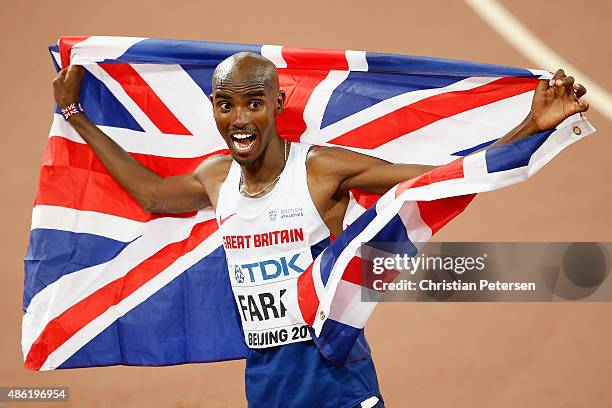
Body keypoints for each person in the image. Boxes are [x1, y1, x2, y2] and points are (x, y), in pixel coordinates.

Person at [52, 52, 588, 408]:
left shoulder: (321, 170)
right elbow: (150, 194)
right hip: (267, 384)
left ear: (277, 105)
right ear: (214, 109)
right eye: (226, 104)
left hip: (334, 379)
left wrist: (529, 127)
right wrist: (76, 114)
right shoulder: (216, 178)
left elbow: (436, 181)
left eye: (254, 103)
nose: (240, 118)